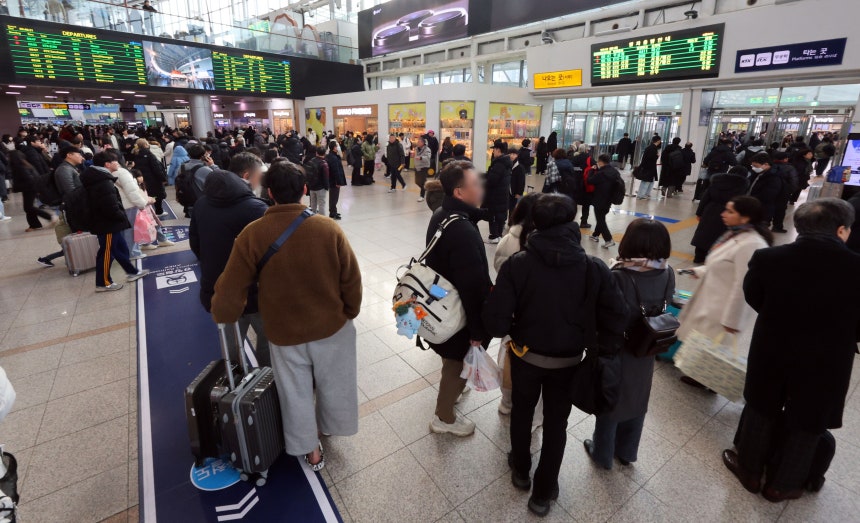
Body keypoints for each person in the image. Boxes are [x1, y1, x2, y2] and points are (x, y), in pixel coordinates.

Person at [211, 161, 362, 472]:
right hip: (331, 325)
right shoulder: (328, 228)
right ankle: (331, 426)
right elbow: (351, 278)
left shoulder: (252, 234)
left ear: (269, 193)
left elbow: (229, 290)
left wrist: (223, 312)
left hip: (283, 331)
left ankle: (311, 452)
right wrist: (350, 310)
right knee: (335, 382)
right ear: (305, 190)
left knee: (295, 393)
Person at [483, 194, 627, 517]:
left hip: (525, 357)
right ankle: (543, 492)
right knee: (556, 423)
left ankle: (521, 469)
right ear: (572, 222)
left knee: (522, 412)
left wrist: (514, 326)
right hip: (570, 362)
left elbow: (495, 321)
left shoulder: (518, 264)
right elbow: (618, 317)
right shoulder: (593, 268)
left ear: (536, 222)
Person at [725, 198, 860, 502]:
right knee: (809, 418)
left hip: (773, 348)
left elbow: (754, 296)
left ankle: (749, 471)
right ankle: (782, 486)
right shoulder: (856, 268)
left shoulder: (768, 258)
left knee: (761, 406)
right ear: (841, 230)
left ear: (800, 226)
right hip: (828, 358)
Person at [585, 219, 675, 470]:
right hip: (647, 346)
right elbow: (667, 301)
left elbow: (603, 315)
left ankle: (602, 453)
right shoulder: (667, 272)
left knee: (611, 397)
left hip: (618, 348)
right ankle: (626, 451)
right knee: (638, 397)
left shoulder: (619, 276)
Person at [424, 161, 492, 437]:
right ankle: (444, 418)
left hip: (444, 303)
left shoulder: (442, 213)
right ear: (459, 192)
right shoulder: (462, 229)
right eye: (475, 184)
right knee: (457, 362)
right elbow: (472, 287)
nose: (481, 187)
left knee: (451, 358)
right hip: (458, 309)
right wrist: (477, 331)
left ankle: (453, 394)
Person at [677, 196, 772, 388]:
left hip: (724, 306)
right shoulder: (735, 235)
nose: (723, 214)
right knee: (704, 338)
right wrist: (698, 271)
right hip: (712, 299)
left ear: (745, 217)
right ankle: (699, 372)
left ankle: (708, 379)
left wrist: (733, 320)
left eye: (730, 211)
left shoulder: (752, 244)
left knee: (714, 341)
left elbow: (743, 284)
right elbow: (722, 264)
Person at [190, 168, 269, 366]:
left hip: (219, 286)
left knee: (230, 340)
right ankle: (267, 375)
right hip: (255, 288)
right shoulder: (256, 208)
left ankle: (235, 372)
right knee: (267, 336)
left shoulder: (201, 205)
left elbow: (195, 243)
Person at [492, 192, 544, 430]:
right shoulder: (545, 244)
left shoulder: (508, 239)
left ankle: (506, 403)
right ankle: (535, 417)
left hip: (512, 312)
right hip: (537, 315)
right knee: (536, 367)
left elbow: (498, 268)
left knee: (508, 359)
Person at [81, 151, 150, 292]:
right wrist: (120, 216)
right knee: (107, 252)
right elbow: (109, 205)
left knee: (120, 247)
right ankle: (103, 283)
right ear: (107, 164)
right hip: (107, 223)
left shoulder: (98, 177)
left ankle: (132, 271)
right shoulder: (103, 182)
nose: (118, 163)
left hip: (109, 222)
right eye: (115, 161)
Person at [690, 166, 750, 264]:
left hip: (710, 209)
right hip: (730, 212)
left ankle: (699, 257)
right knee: (722, 235)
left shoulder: (717, 181)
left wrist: (699, 213)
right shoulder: (743, 185)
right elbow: (744, 202)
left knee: (705, 233)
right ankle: (716, 257)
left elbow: (705, 198)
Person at [9, 150, 53, 232]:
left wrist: (16, 188)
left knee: (28, 207)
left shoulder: (20, 167)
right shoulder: (25, 164)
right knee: (28, 208)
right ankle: (34, 225)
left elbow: (29, 179)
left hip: (30, 188)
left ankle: (49, 217)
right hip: (29, 188)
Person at [588, 154, 622, 249]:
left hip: (599, 199)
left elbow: (590, 180)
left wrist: (592, 170)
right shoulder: (614, 171)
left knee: (600, 220)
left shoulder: (601, 173)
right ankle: (595, 235)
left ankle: (608, 240)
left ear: (600, 162)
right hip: (609, 199)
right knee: (601, 218)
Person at [485, 139, 512, 243]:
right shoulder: (505, 162)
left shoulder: (499, 164)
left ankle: (494, 236)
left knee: (494, 215)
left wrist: (484, 182)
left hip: (495, 194)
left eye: (494, 149)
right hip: (502, 193)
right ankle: (499, 235)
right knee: (500, 214)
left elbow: (492, 180)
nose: (493, 151)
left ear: (498, 150)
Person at [748, 153, 784, 228]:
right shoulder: (758, 173)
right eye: (752, 166)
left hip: (762, 210)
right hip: (751, 206)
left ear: (766, 164)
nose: (753, 168)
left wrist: (749, 199)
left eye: (756, 166)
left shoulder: (774, 178)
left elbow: (768, 195)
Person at [133, 139, 168, 216]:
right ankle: (159, 211)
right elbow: (156, 168)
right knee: (157, 195)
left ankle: (149, 212)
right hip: (153, 178)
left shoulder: (135, 155)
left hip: (142, 178)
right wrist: (163, 178)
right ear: (145, 145)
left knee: (147, 194)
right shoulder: (149, 155)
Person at [769, 152, 799, 233]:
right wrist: (790, 191)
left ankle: (764, 224)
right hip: (783, 192)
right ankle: (777, 227)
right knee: (780, 210)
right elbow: (794, 181)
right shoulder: (790, 168)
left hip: (769, 190)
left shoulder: (770, 166)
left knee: (767, 207)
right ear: (785, 159)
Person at [571, 144, 593, 228]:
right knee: (586, 204)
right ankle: (583, 222)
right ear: (586, 150)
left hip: (574, 183)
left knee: (573, 202)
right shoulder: (589, 158)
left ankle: (570, 220)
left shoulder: (574, 158)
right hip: (585, 184)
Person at [325, 142, 347, 220]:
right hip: (334, 181)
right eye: (337, 146)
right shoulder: (333, 158)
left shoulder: (330, 156)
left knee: (333, 197)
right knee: (334, 197)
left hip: (331, 180)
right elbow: (336, 171)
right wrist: (338, 182)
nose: (338, 147)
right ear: (334, 148)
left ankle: (333, 211)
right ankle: (332, 213)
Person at [306, 147, 330, 215]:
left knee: (313, 205)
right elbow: (326, 176)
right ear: (324, 154)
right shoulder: (324, 163)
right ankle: (322, 219)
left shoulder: (311, 161)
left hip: (312, 187)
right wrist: (326, 187)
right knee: (321, 205)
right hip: (320, 188)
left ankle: (313, 218)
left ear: (316, 153)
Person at [413, 136, 431, 202]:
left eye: (419, 142)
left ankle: (422, 196)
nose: (418, 143)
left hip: (424, 167)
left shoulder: (427, 149)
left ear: (423, 143)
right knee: (417, 181)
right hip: (417, 166)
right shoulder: (416, 149)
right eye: (417, 141)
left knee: (422, 182)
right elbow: (415, 156)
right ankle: (427, 188)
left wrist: (421, 158)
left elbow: (428, 157)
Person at [508, 147, 526, 213]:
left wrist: (519, 193)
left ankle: (511, 219)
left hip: (514, 192)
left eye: (513, 154)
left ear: (517, 155)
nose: (511, 156)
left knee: (513, 209)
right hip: (507, 191)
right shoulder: (507, 165)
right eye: (510, 154)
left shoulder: (520, 167)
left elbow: (521, 182)